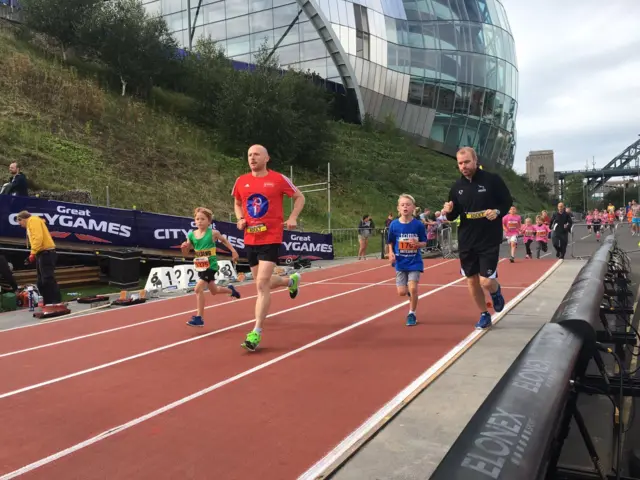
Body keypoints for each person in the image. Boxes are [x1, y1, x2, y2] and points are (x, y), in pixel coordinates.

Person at [232, 144, 305, 352]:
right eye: (249, 155)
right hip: (250, 238)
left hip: (271, 237)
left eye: (256, 154)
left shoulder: (278, 179)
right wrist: (240, 218)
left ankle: (256, 332)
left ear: (267, 158)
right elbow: (237, 202)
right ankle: (290, 280)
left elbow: (300, 197)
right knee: (260, 283)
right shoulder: (241, 181)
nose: (252, 158)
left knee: (262, 285)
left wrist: (292, 217)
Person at [442, 146, 511, 330]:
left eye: (466, 162)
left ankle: (495, 292)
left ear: (475, 161)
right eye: (460, 163)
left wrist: (496, 211)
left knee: (486, 281)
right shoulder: (457, 187)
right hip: (467, 238)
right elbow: (452, 214)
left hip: (488, 236)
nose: (463, 166)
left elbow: (506, 202)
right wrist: (448, 212)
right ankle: (483, 314)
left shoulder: (492, 180)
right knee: (471, 280)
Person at [181, 207, 241, 327]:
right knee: (214, 290)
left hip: (211, 265)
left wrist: (233, 251)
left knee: (198, 289)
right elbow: (186, 253)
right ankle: (231, 290)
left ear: (209, 221)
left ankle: (199, 318)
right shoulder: (191, 235)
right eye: (197, 219)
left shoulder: (213, 233)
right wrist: (184, 247)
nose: (199, 221)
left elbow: (224, 241)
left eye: (203, 219)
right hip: (199, 265)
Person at [387, 194, 427, 326]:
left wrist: (418, 244)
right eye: (402, 205)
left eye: (408, 204)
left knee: (414, 288)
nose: (405, 207)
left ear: (413, 208)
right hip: (400, 262)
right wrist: (391, 253)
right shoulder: (394, 225)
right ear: (398, 208)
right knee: (402, 292)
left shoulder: (418, 225)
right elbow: (390, 242)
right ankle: (410, 293)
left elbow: (424, 242)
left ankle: (412, 313)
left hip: (414, 262)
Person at [15, 211, 61, 305]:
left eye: (20, 223)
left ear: (22, 219)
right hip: (41, 253)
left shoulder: (33, 221)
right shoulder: (34, 221)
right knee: (41, 280)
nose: (21, 225)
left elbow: (38, 238)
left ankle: (55, 301)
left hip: (46, 252)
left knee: (47, 278)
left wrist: (32, 253)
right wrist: (34, 253)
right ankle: (47, 301)